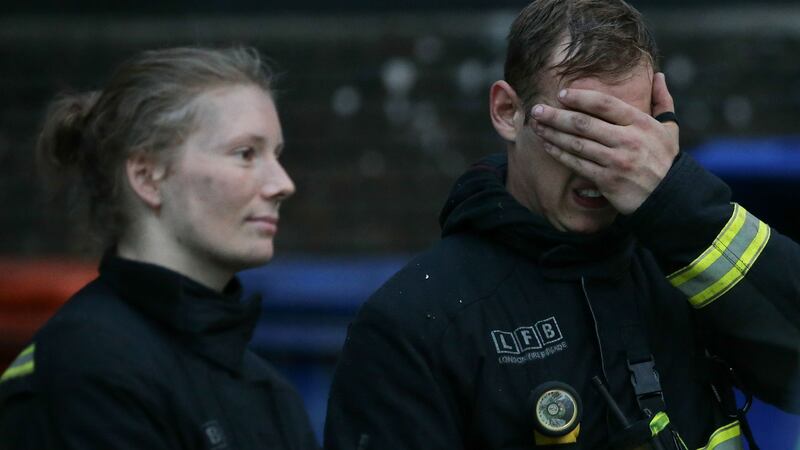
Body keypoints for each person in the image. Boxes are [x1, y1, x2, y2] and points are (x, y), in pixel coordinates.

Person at [324, 1, 800, 449]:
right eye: (579, 130)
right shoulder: (414, 326)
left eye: (626, 135)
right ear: (508, 112)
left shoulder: (683, 269)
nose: (604, 166)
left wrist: (677, 199)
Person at [0, 47, 319, 450]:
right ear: (147, 177)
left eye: (276, 155)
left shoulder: (268, 392)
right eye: (246, 154)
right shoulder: (89, 368)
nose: (282, 184)